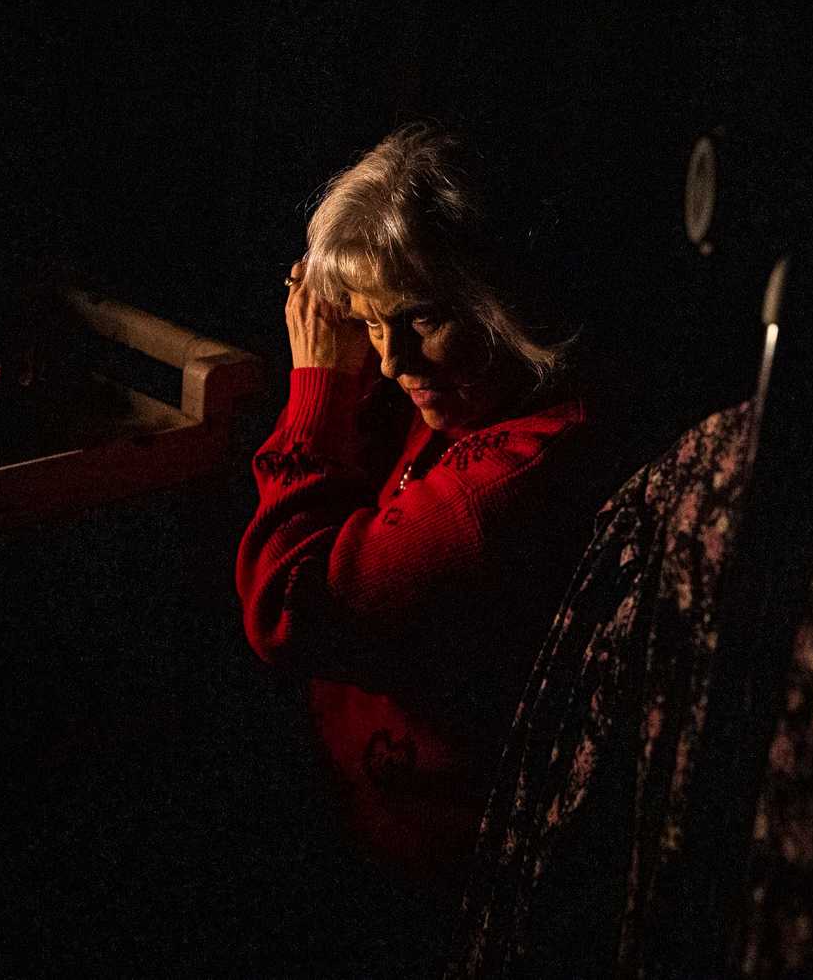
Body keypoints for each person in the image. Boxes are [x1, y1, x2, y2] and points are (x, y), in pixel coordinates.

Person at [236, 122, 610, 917]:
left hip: (423, 882)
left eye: (422, 319)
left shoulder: (512, 479)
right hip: (351, 822)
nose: (394, 361)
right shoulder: (466, 393)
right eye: (370, 324)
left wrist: (318, 389)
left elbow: (284, 608)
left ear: (496, 299)